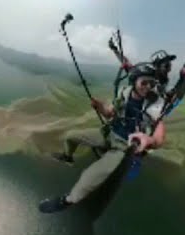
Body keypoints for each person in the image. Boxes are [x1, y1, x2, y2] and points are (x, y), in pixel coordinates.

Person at [38, 63, 169, 213]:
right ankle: (68, 157)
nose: (147, 87)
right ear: (134, 81)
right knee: (71, 136)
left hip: (123, 146)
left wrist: (149, 140)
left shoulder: (154, 106)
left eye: (151, 83)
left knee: (90, 176)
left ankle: (68, 200)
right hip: (108, 133)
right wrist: (100, 106)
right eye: (144, 82)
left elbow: (159, 137)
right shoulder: (124, 93)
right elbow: (110, 113)